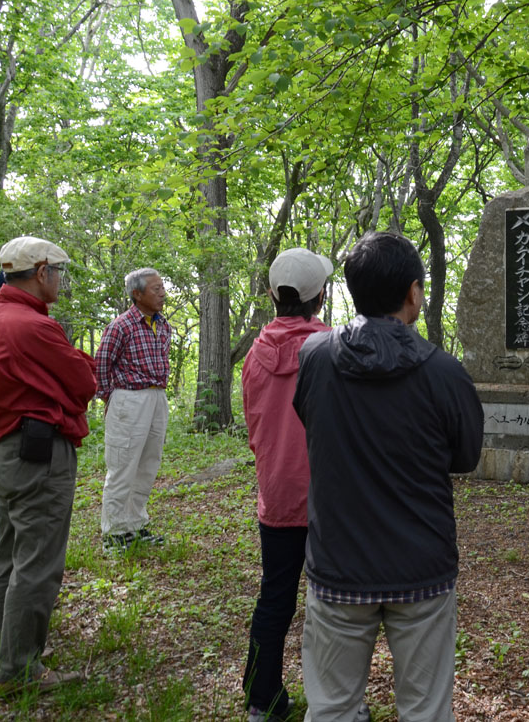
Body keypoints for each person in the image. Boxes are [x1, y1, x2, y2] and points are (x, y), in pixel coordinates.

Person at [293, 232, 483, 721]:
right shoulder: (445, 373)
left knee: (331, 708)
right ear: (414, 292)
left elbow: (312, 423)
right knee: (424, 710)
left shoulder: (315, 360)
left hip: (338, 565)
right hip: (421, 568)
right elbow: (465, 456)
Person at [0, 236, 97, 691]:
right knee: (37, 563)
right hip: (36, 456)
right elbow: (83, 380)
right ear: (41, 272)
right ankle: (21, 669)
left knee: (9, 555)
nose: (61, 280)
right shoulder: (31, 325)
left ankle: (1, 654)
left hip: (8, 451)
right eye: (58, 272)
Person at [241, 248, 333, 722]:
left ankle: (262, 699)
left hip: (275, 494)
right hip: (326, 498)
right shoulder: (332, 348)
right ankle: (330, 700)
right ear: (321, 296)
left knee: (274, 596)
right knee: (329, 603)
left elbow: (255, 426)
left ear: (274, 295)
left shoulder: (255, 355)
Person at [95, 268, 172, 551]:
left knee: (148, 464)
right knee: (123, 465)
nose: (162, 293)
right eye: (156, 288)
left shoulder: (163, 325)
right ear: (136, 294)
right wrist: (110, 399)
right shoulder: (121, 326)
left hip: (156, 397)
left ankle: (135, 525)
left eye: (162, 287)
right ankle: (114, 534)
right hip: (129, 398)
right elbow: (101, 364)